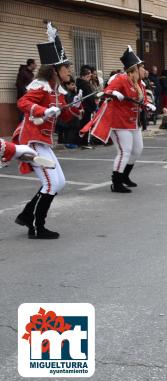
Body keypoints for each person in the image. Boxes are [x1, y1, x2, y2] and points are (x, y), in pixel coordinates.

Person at [12, 22, 82, 239]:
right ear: (55, 70)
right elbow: (23, 103)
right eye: (66, 67)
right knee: (51, 183)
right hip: (31, 140)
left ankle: (26, 215)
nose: (69, 70)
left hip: (43, 141)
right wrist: (45, 110)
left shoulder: (57, 90)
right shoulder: (40, 85)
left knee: (58, 182)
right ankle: (35, 227)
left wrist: (75, 105)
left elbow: (66, 116)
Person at [80, 46, 155, 193]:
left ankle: (125, 176)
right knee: (124, 151)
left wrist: (148, 106)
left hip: (133, 121)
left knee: (137, 150)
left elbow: (142, 101)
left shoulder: (139, 83)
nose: (144, 70)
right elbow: (105, 92)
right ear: (134, 68)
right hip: (119, 122)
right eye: (142, 67)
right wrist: (114, 93)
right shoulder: (121, 79)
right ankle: (116, 182)